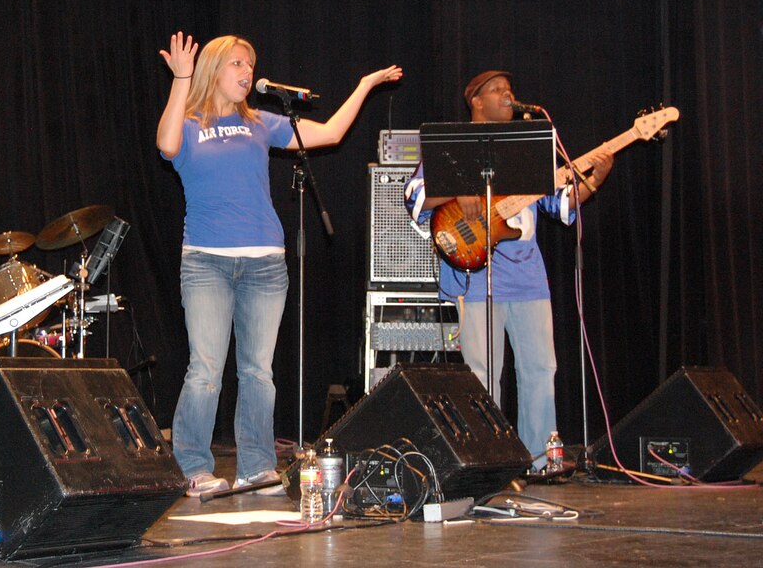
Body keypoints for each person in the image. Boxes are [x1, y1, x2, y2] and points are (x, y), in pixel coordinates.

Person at [157, 31, 402, 496]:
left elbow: (330, 133)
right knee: (206, 370)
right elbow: (166, 146)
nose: (247, 72)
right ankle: (194, 466)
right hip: (207, 262)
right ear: (213, 69)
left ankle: (256, 466)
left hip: (265, 264)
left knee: (258, 371)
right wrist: (182, 80)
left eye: (250, 64)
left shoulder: (260, 123)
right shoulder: (188, 122)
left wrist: (365, 85)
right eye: (237, 63)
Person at [403, 70, 612, 469]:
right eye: (497, 89)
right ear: (476, 101)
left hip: (528, 275)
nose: (508, 94)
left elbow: (561, 207)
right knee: (481, 372)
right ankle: (487, 460)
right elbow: (414, 197)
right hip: (473, 273)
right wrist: (456, 189)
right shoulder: (453, 146)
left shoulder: (527, 147)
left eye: (510, 89)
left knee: (540, 368)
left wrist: (594, 180)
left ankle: (540, 458)